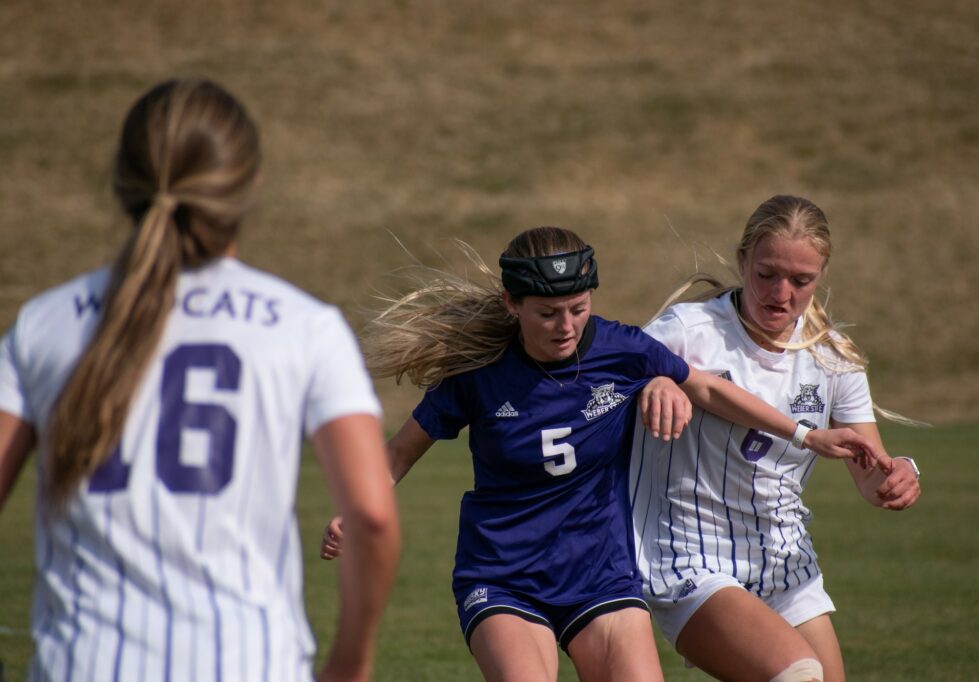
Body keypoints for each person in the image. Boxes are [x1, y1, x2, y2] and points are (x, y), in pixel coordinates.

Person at [320, 226, 881, 682]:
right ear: (511, 304)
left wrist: (807, 437)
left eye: (577, 309)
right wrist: (357, 506)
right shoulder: (478, 376)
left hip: (601, 575)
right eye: (547, 313)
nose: (566, 326)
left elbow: (707, 388)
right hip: (505, 574)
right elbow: (396, 453)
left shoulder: (622, 348)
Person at [0, 78, 400, 682]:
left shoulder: (45, 323)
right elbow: (372, 515)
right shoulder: (303, 326)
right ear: (248, 188)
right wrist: (351, 663)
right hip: (248, 662)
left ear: (121, 182)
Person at [630, 195, 923, 682]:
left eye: (801, 280)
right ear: (743, 260)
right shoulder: (686, 331)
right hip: (688, 556)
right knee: (796, 675)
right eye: (767, 274)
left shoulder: (834, 356)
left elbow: (873, 478)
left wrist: (901, 474)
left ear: (821, 276)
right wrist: (656, 380)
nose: (781, 292)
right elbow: (610, 383)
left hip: (785, 561)